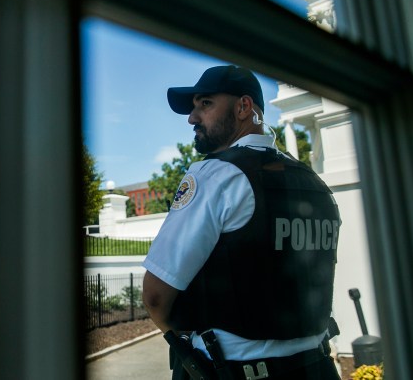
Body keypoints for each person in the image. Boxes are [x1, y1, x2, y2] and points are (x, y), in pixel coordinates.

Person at [142, 65, 341, 380]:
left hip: (238, 372)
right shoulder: (312, 180)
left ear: (244, 107)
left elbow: (155, 295)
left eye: (204, 104)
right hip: (317, 367)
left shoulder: (216, 175)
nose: (192, 118)